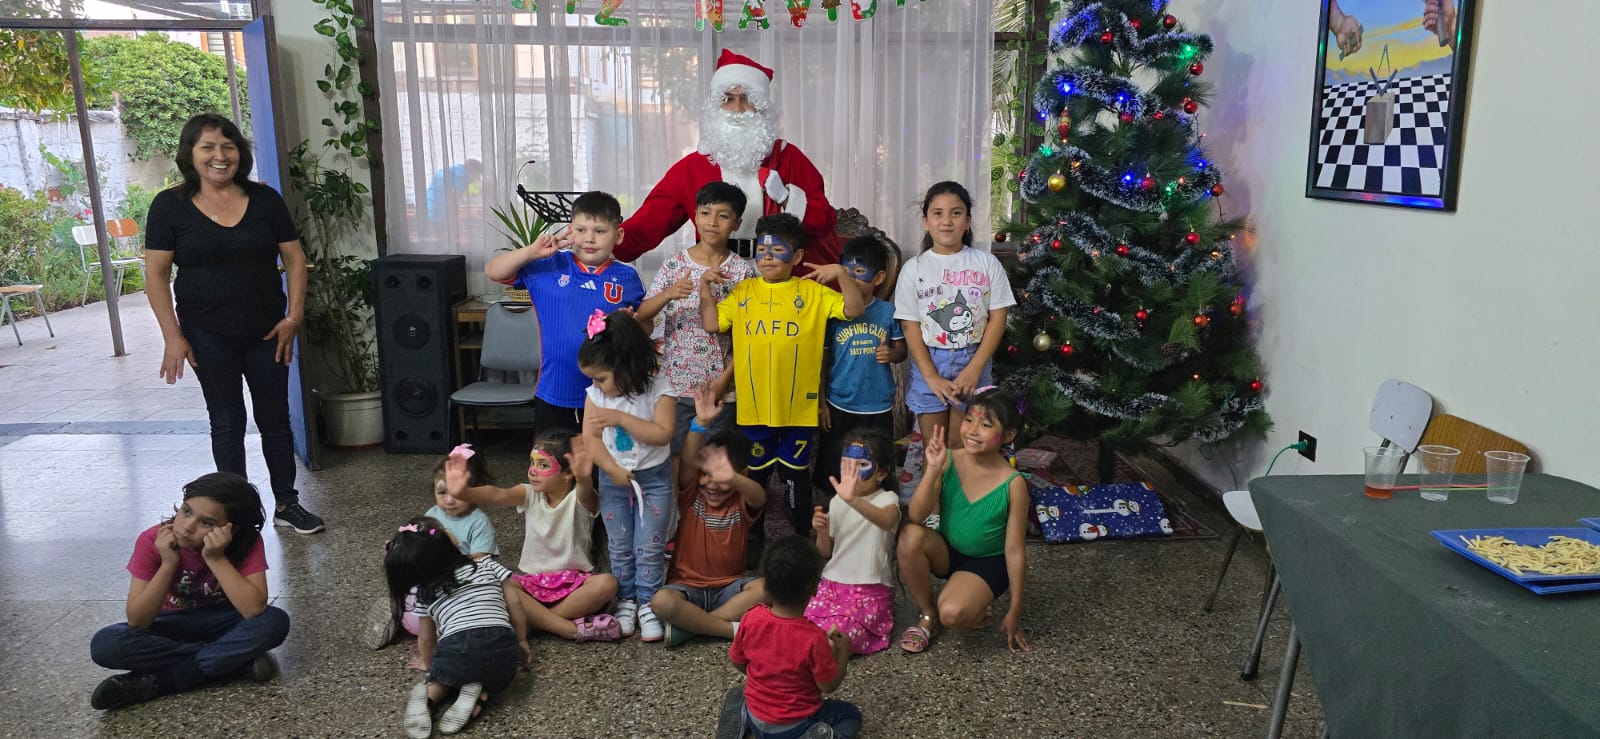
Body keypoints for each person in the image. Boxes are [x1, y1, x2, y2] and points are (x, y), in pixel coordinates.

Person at [144, 113, 324, 535]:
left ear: (239, 153)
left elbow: (295, 258)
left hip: (267, 331)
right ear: (191, 154)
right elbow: (155, 275)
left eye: (227, 147)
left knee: (275, 419)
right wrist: (173, 336)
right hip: (206, 333)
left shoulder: (265, 200)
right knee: (226, 421)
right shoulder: (169, 206)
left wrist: (293, 318)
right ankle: (236, 514)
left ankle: (287, 502)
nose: (219, 156)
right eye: (207, 147)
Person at [699, 214, 863, 546]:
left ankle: (801, 537)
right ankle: (753, 536)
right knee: (756, 474)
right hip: (754, 408)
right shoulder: (744, 291)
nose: (768, 256)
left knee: (793, 477)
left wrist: (842, 275)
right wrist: (704, 287)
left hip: (797, 411)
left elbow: (854, 310)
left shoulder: (813, 292)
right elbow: (713, 324)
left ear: (798, 257)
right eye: (762, 249)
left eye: (778, 249)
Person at [618, 49, 840, 266]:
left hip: (776, 278)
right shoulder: (693, 167)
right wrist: (599, 241)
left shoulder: (788, 158)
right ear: (716, 106)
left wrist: (786, 198)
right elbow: (650, 221)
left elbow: (824, 224)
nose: (737, 109)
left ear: (761, 107)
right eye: (728, 99)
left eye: (747, 99)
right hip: (716, 277)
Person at [89, 472, 290, 710]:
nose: (186, 527)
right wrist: (168, 564)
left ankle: (164, 682)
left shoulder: (248, 542)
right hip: (171, 626)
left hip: (224, 621)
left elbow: (253, 609)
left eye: (206, 523)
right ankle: (234, 661)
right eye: (186, 511)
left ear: (231, 530)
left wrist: (215, 558)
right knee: (106, 644)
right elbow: (137, 619)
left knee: (274, 622)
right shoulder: (153, 540)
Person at [484, 191, 644, 438]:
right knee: (552, 466)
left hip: (609, 394)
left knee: (603, 469)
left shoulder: (629, 277)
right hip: (554, 390)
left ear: (618, 235)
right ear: (570, 231)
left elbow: (646, 326)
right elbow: (493, 271)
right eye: (581, 230)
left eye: (600, 231)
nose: (589, 239)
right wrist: (531, 252)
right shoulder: (547, 266)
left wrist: (635, 325)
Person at [443, 436, 622, 642]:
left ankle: (538, 622)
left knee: (607, 584)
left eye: (543, 464)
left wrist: (584, 478)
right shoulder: (530, 494)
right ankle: (566, 627)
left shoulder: (581, 499)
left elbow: (584, 486)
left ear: (568, 473)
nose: (533, 471)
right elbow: (498, 495)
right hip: (531, 585)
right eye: (532, 462)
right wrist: (464, 492)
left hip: (575, 586)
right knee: (498, 583)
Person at [896, 389, 1031, 655]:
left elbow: (1015, 551)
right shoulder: (948, 458)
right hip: (947, 550)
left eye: (986, 425)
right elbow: (916, 515)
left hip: (988, 561)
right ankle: (927, 615)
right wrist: (933, 469)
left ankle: (975, 597)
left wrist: (1015, 610)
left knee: (953, 614)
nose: (972, 430)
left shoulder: (1013, 484)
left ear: (1008, 436)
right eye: (969, 420)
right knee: (909, 536)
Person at [635, 182, 757, 454]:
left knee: (715, 460)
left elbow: (748, 338)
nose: (712, 222)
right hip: (675, 385)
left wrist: (725, 381)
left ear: (736, 223)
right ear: (695, 216)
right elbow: (642, 315)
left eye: (723, 216)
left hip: (720, 387)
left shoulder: (742, 273)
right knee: (677, 457)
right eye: (705, 213)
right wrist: (669, 293)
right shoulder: (675, 264)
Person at [892, 181, 1015, 451]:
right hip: (929, 363)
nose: (946, 221)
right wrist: (931, 376)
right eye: (937, 213)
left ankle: (961, 492)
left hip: (974, 358)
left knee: (962, 445)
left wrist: (974, 369)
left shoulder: (986, 263)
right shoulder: (914, 269)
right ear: (926, 221)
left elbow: (998, 318)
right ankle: (933, 492)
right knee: (934, 447)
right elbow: (910, 326)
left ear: (968, 221)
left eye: (956, 213)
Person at [385, 516, 529, 739]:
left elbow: (426, 639)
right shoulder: (487, 564)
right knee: (495, 674)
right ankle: (479, 696)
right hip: (501, 646)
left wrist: (430, 666)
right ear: (447, 544)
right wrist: (521, 640)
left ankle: (430, 697)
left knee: (446, 675)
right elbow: (515, 604)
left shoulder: (425, 593)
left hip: (454, 649)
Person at [580, 311, 677, 641]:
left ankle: (649, 602)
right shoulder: (597, 396)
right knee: (620, 546)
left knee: (649, 546)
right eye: (593, 380)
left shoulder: (659, 386)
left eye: (602, 378)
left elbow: (662, 433)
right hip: (613, 480)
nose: (597, 386)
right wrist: (611, 470)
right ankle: (626, 600)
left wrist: (620, 418)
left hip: (654, 480)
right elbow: (591, 440)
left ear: (627, 365)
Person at [650, 387, 768, 647]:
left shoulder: (742, 501)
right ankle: (727, 630)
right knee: (661, 602)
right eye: (707, 474)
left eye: (722, 477)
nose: (712, 484)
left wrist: (732, 478)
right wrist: (700, 423)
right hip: (686, 587)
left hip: (729, 588)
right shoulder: (692, 494)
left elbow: (759, 496)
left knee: (766, 589)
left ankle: (694, 628)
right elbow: (690, 459)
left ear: (741, 476)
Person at [722, 536, 861, 739]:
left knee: (737, 694)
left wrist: (765, 680)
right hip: (795, 726)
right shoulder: (814, 638)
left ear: (766, 584)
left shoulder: (751, 617)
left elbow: (736, 660)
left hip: (757, 715)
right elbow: (828, 686)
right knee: (850, 715)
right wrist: (843, 651)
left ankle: (741, 721)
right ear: (814, 588)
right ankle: (818, 735)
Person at [365, 450, 498, 651]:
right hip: (433, 584)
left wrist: (449, 556)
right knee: (413, 588)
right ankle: (396, 614)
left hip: (460, 582)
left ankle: (404, 619)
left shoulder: (478, 522)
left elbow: (481, 561)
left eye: (457, 493)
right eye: (442, 493)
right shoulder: (432, 514)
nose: (449, 500)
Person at [815, 235, 905, 492]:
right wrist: (821, 403)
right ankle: (833, 510)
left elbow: (901, 351)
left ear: (878, 278)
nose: (851, 279)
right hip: (839, 402)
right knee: (833, 465)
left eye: (859, 272)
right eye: (845, 271)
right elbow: (822, 361)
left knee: (878, 463)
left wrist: (892, 353)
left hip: (877, 405)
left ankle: (878, 506)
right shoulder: (834, 313)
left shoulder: (888, 313)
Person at [806, 430, 900, 656]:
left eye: (861, 464)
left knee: (841, 635)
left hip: (870, 591)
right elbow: (826, 551)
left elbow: (887, 520)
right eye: (846, 463)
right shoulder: (838, 501)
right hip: (832, 585)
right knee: (806, 630)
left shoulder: (887, 499)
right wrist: (821, 531)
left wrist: (853, 500)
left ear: (882, 473)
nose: (852, 472)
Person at [425, 158, 483, 237]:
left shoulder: (454, 170)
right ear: (473, 171)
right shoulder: (463, 175)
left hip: (428, 208)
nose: (477, 178)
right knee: (446, 238)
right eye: (478, 175)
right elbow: (454, 196)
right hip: (439, 213)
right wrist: (456, 217)